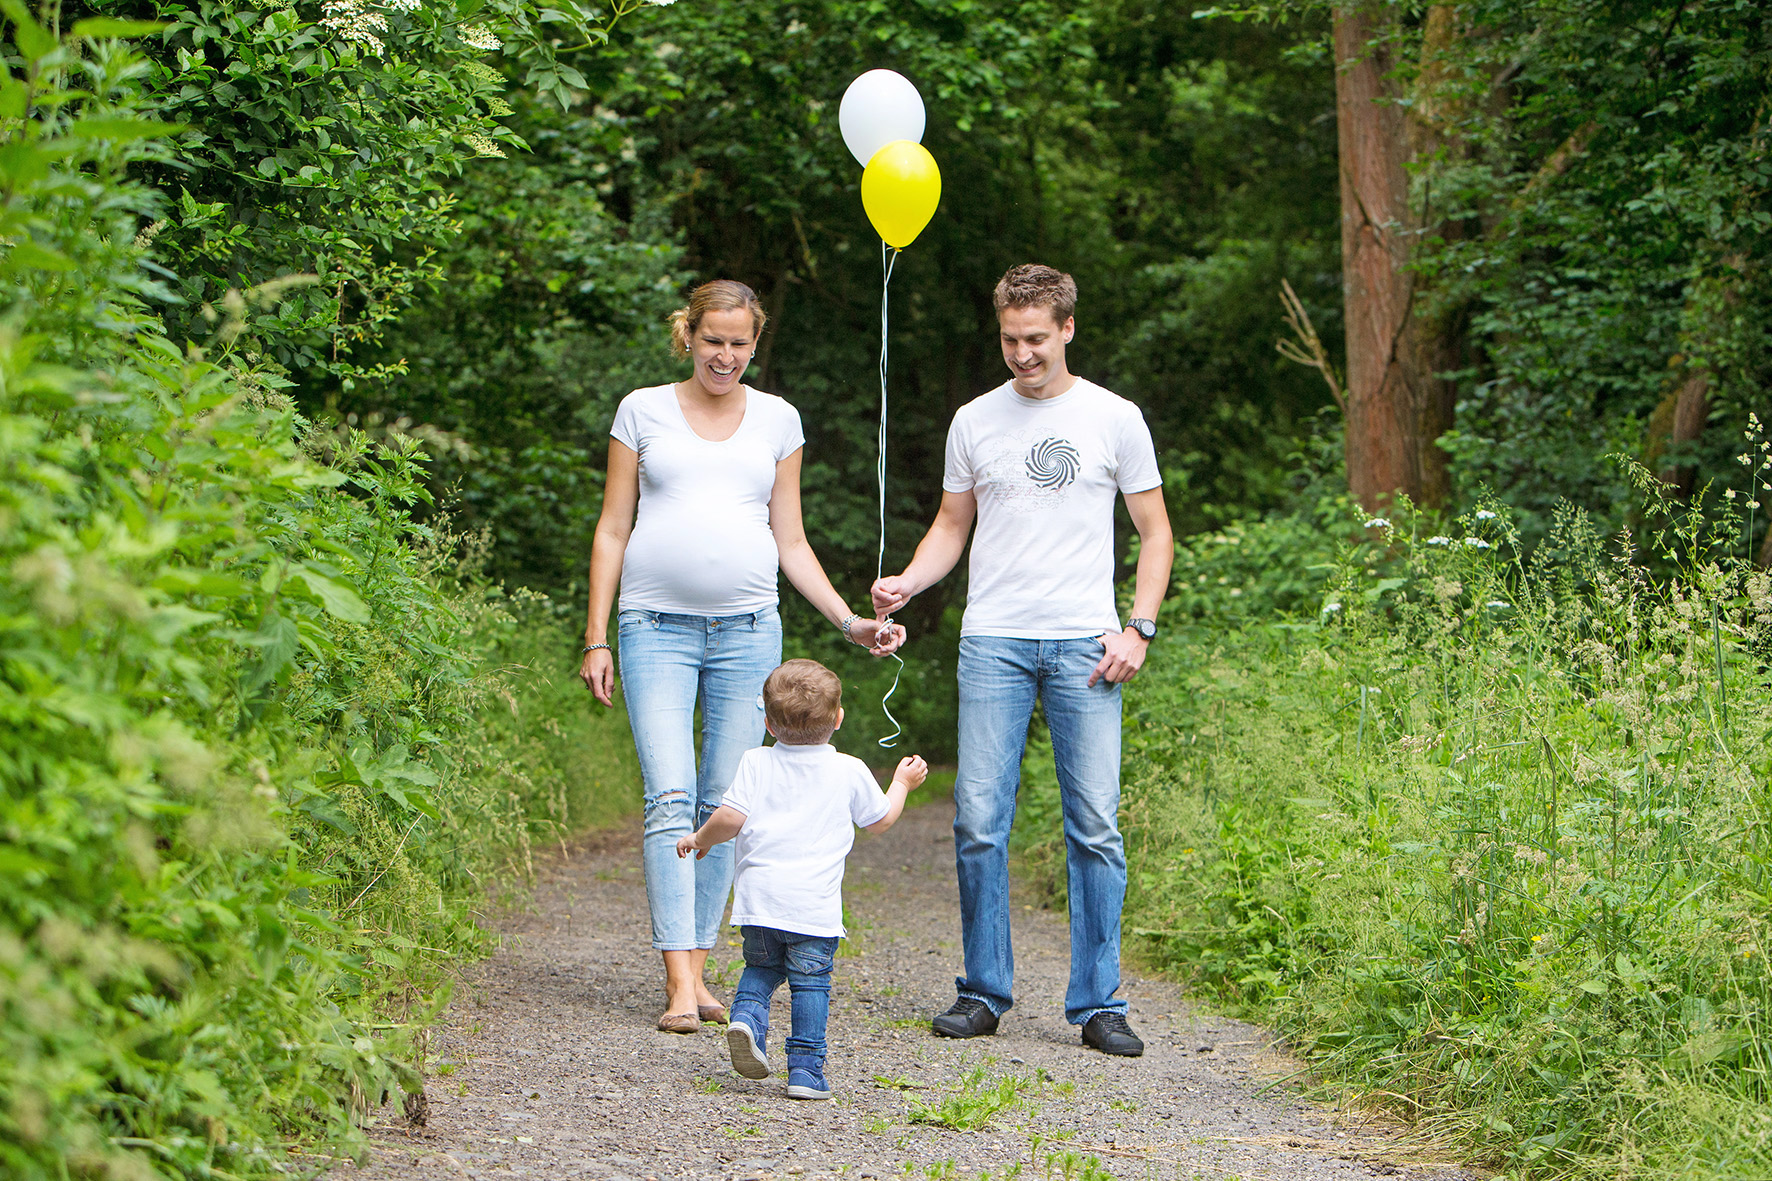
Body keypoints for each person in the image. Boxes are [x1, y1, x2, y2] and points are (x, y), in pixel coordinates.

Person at [580, 280, 906, 1035]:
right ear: (687, 336)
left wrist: (851, 621)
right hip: (652, 626)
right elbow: (610, 529)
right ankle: (680, 981)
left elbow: (790, 539)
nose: (723, 354)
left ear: (755, 345)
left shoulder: (778, 421)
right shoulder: (642, 411)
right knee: (669, 796)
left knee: (723, 803)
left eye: (738, 342)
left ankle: (696, 973)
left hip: (748, 631)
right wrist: (596, 634)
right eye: (711, 339)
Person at [871, 264, 1173, 1058]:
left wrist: (1136, 628)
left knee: (1096, 826)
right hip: (994, 641)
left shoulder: (1114, 417)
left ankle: (1100, 1002)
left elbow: (1156, 533)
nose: (1022, 354)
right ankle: (983, 990)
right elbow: (949, 524)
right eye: (1010, 338)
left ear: (1068, 328)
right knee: (978, 820)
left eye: (1036, 339)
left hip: (1085, 643)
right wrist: (909, 577)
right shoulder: (975, 419)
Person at [676, 659, 928, 1099]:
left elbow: (731, 817)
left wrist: (702, 838)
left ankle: (747, 1019)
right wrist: (902, 782)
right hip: (813, 909)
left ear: (769, 724)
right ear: (838, 718)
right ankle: (806, 1073)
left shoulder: (755, 761)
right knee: (811, 985)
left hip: (759, 904)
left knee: (761, 967)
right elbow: (881, 820)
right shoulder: (848, 769)